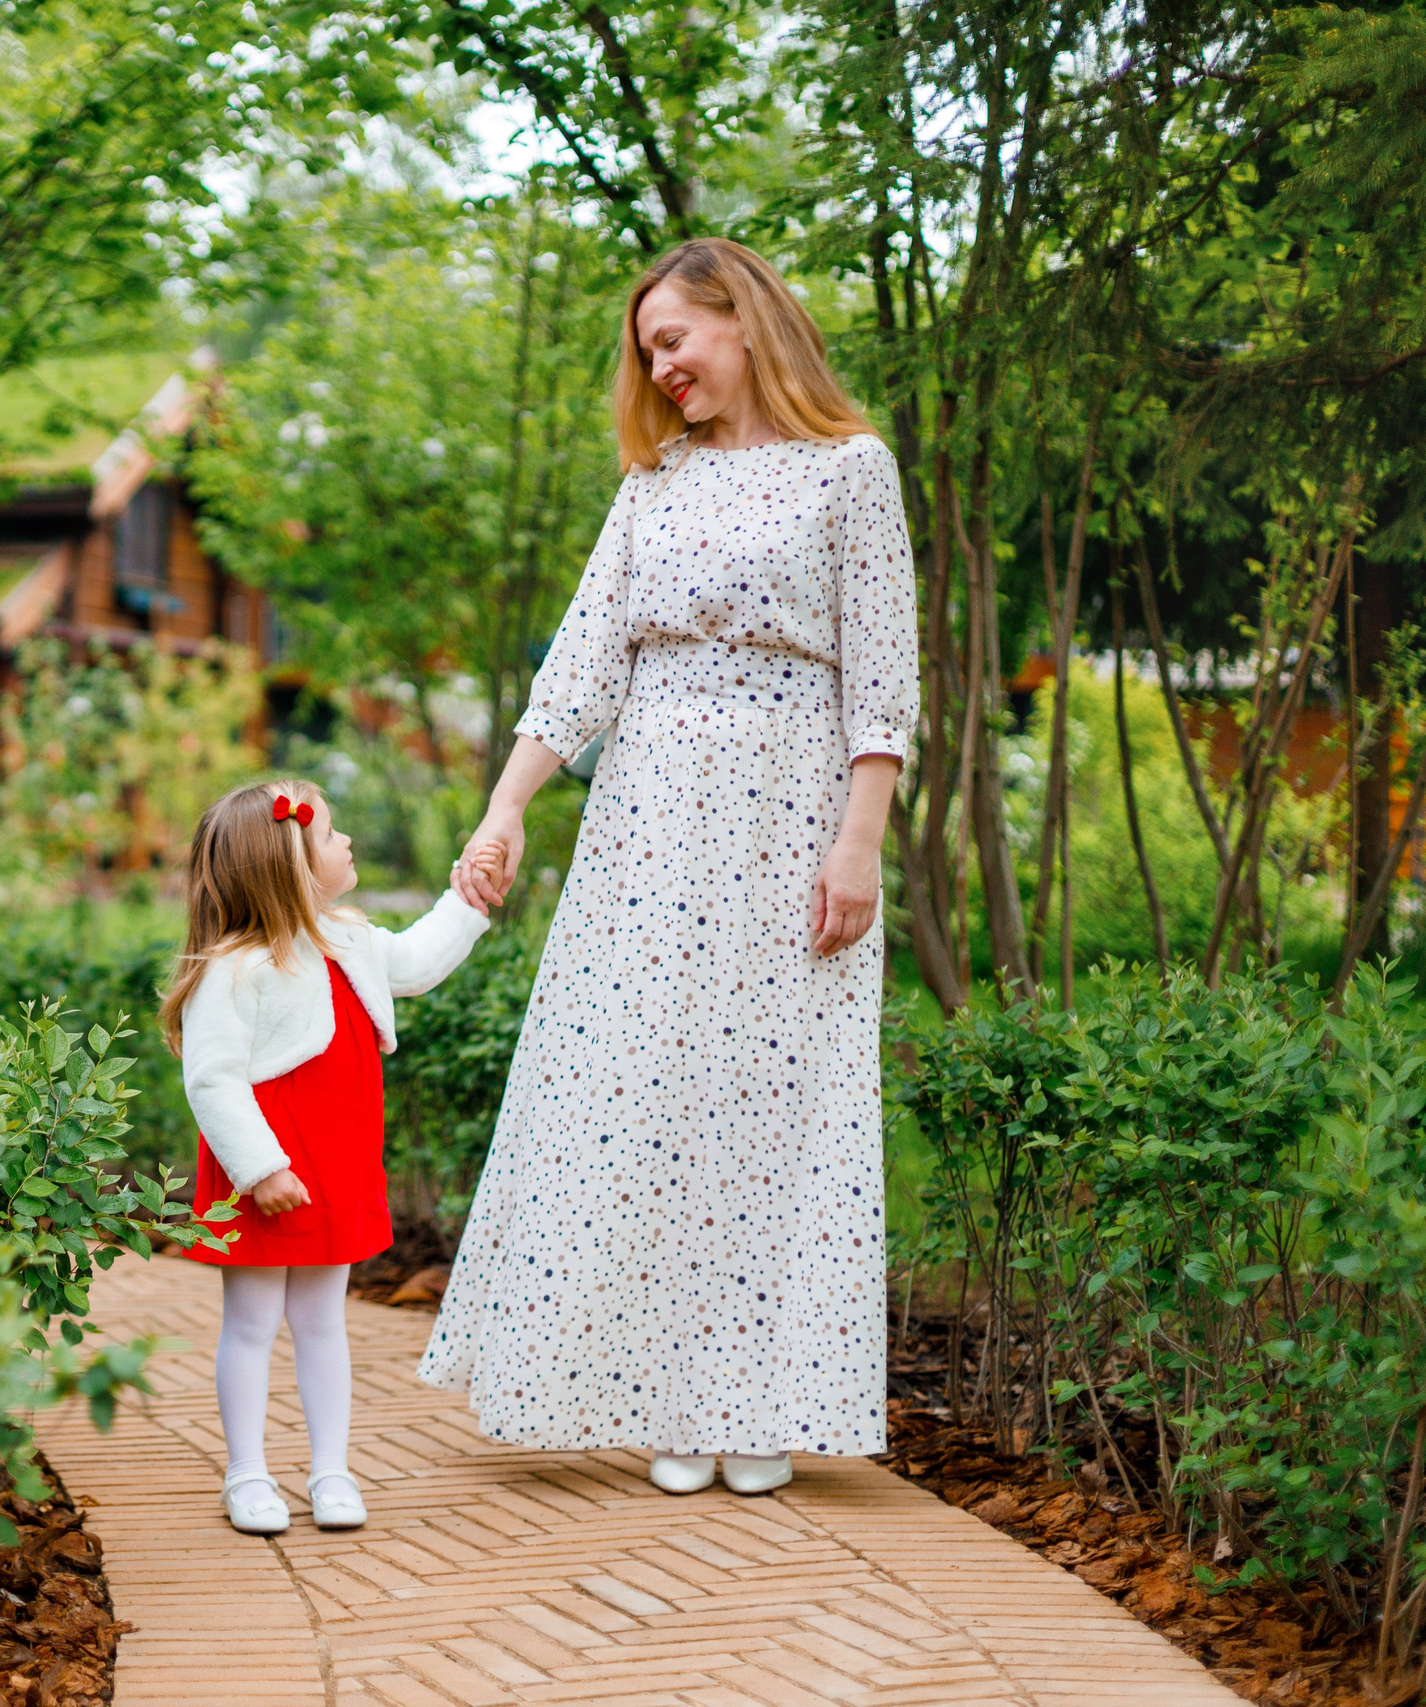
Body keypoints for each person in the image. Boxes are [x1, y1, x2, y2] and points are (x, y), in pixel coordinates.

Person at [420, 237, 921, 1497]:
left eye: (673, 341)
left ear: (741, 322)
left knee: (770, 1098)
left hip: (789, 813)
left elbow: (885, 678)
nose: (661, 367)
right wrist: (505, 813)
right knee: (641, 1089)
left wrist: (857, 844)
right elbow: (582, 663)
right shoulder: (655, 482)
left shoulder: (850, 470)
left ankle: (761, 1399)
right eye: (648, 352)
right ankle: (661, 1397)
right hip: (646, 821)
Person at [162, 778, 497, 1534]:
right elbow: (211, 1078)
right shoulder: (235, 968)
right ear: (292, 867)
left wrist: (466, 902)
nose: (346, 844)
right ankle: (247, 1473)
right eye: (332, 836)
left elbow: (414, 961)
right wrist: (260, 1166)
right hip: (270, 1171)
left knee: (323, 1318)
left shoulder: (350, 939)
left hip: (336, 1163)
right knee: (250, 1322)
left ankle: (330, 1470)